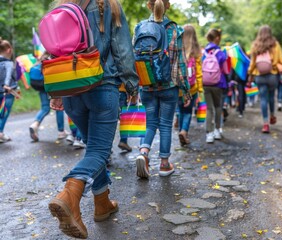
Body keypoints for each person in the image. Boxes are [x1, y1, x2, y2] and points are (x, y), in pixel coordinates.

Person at [48, 0, 139, 238]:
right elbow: (122, 48)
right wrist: (131, 83)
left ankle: (102, 203)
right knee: (99, 151)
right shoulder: (109, 5)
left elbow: (54, 50)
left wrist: (56, 92)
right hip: (102, 84)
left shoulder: (62, 5)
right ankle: (70, 193)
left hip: (70, 89)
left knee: (92, 148)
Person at [134, 0, 191, 178]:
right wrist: (186, 89)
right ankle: (165, 165)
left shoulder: (140, 27)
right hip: (169, 85)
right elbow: (180, 63)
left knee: (150, 122)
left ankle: (144, 152)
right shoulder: (175, 29)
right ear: (167, 6)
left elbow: (133, 57)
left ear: (149, 5)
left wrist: (134, 84)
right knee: (166, 124)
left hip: (147, 84)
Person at [247, 25, 282, 133]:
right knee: (271, 97)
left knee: (263, 99)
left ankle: (265, 124)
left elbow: (252, 63)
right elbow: (281, 60)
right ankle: (273, 115)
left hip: (259, 76)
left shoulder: (255, 45)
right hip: (272, 75)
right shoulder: (275, 45)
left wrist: (250, 74)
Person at [177, 24, 203, 146]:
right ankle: (184, 131)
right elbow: (198, 73)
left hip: (178, 87)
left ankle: (181, 131)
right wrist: (200, 88)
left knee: (180, 110)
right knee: (188, 111)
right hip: (191, 88)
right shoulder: (196, 52)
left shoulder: (177, 49)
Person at [202, 29, 229, 143]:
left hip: (205, 83)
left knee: (209, 108)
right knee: (218, 107)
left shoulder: (203, 52)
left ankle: (209, 134)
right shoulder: (220, 53)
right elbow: (226, 70)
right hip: (218, 83)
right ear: (217, 38)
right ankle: (217, 130)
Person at [0, 37, 17, 143]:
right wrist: (6, 85)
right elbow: (9, 75)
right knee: (4, 113)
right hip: (7, 92)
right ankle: (0, 133)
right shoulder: (9, 63)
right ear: (9, 50)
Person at [117, 83, 132, 152]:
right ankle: (123, 140)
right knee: (124, 118)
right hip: (121, 90)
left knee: (109, 118)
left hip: (106, 90)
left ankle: (106, 146)